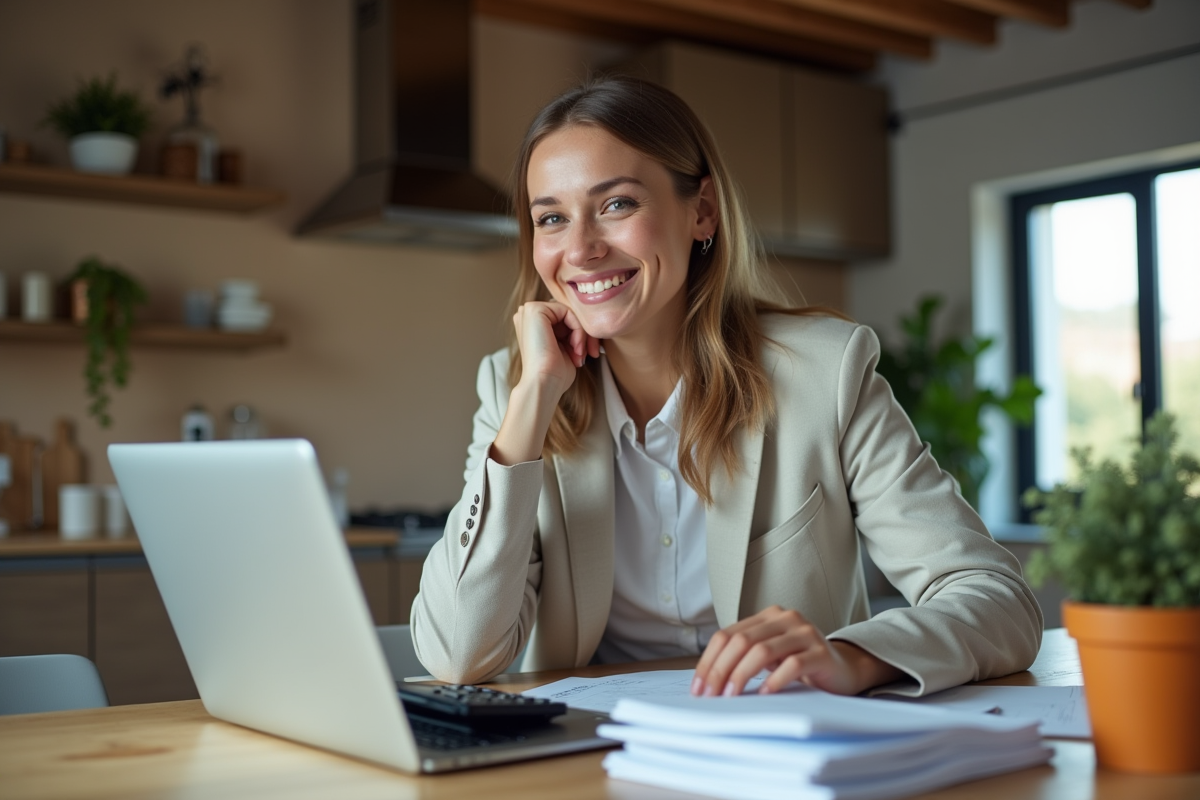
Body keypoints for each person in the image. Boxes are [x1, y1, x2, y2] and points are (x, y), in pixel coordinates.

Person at [411, 75, 1042, 699]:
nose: (580, 249)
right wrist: (532, 403)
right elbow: (458, 654)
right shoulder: (515, 388)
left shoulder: (826, 373)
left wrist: (852, 655)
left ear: (701, 211)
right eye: (550, 218)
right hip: (595, 758)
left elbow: (998, 602)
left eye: (616, 204)